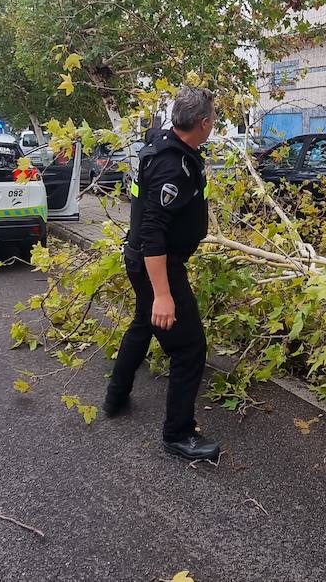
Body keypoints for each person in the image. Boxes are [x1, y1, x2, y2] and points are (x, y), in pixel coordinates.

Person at [102, 87, 221, 462]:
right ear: (203, 123)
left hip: (141, 258)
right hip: (157, 262)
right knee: (189, 348)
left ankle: (115, 397)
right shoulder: (172, 163)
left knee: (142, 324)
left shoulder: (162, 142)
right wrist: (164, 294)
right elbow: (154, 231)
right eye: (213, 120)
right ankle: (178, 434)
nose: (213, 125)